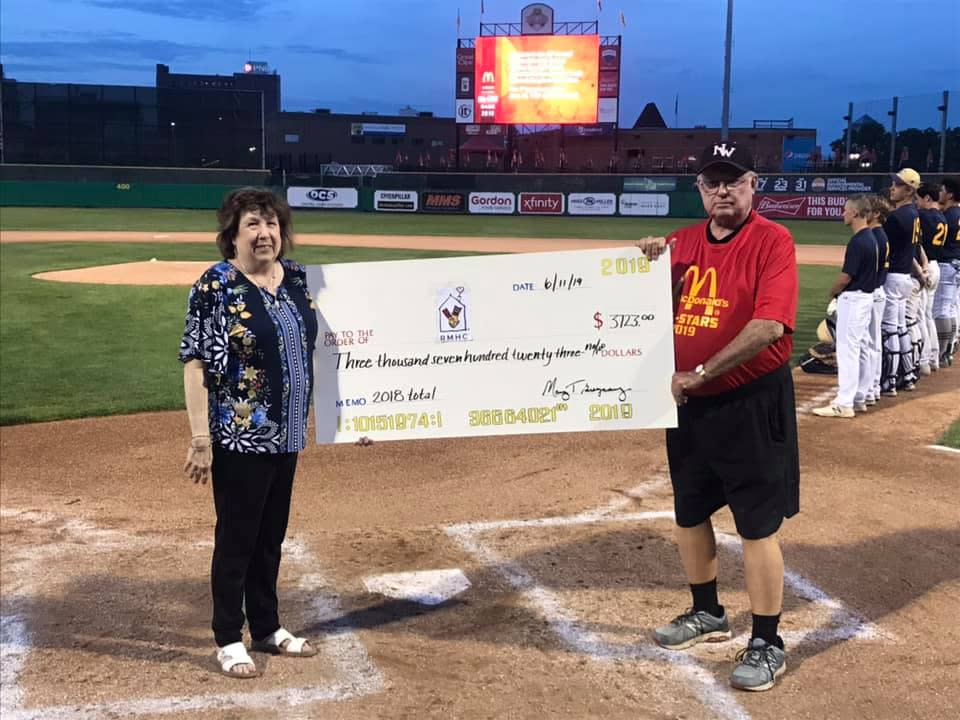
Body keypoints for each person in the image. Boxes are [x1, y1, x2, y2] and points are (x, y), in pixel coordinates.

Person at [636, 141, 799, 692]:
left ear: (754, 184)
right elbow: (629, 309)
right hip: (688, 404)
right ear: (700, 190)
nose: (723, 190)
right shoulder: (678, 244)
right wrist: (640, 265)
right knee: (690, 513)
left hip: (749, 401)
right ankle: (707, 612)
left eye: (733, 180)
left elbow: (769, 327)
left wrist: (702, 371)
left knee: (756, 524)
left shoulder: (773, 240)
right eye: (712, 182)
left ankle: (767, 641)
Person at [180, 187, 321, 679]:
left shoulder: (299, 279)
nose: (264, 234)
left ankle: (266, 626)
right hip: (240, 439)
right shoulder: (216, 286)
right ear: (232, 236)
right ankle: (227, 637)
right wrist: (201, 440)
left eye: (271, 223)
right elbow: (196, 364)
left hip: (287, 436)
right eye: (252, 225)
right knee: (237, 538)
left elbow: (318, 350)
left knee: (270, 537)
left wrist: (353, 415)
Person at [813, 195, 880, 417]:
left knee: (847, 350)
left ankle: (844, 403)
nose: (843, 213)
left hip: (854, 299)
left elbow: (845, 277)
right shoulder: (872, 238)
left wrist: (832, 293)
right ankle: (860, 396)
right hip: (866, 297)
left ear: (856, 213)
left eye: (846, 210)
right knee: (860, 348)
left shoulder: (859, 241)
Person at [880, 169, 921, 395]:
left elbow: (884, 249)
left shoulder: (896, 217)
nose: (892, 187)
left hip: (893, 276)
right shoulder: (914, 213)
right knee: (900, 328)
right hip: (905, 276)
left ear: (909, 190)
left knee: (889, 331)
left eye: (897, 184)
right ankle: (908, 376)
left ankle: (891, 381)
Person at [916, 183, 946, 374]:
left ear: (927, 198)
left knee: (920, 315)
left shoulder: (923, 216)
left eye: (918, 199)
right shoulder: (942, 216)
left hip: (925, 267)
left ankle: (924, 359)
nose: (916, 203)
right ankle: (934, 356)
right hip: (936, 266)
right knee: (927, 314)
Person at [865, 195, 892, 404]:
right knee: (874, 344)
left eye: (868, 210)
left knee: (866, 345)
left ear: (876, 214)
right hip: (879, 291)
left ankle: (867, 389)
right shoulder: (881, 234)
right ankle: (873, 387)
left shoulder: (873, 236)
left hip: (872, 293)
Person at [934, 177, 960, 365]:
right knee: (951, 308)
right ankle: (949, 348)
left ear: (950, 194)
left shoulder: (947, 216)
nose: (940, 193)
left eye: (943, 190)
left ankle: (942, 353)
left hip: (947, 264)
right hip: (957, 263)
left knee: (942, 310)